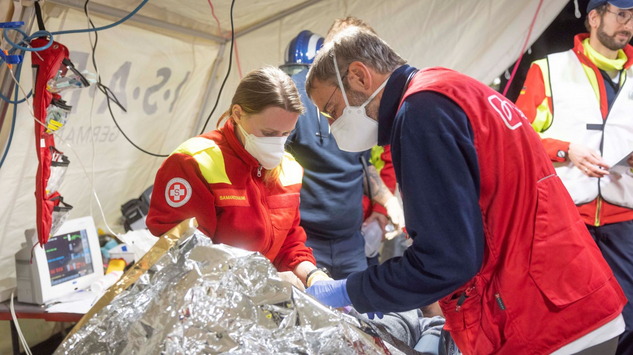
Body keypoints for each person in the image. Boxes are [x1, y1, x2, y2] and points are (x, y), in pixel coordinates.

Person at [304, 27, 626, 354]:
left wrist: (355, 290)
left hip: (544, 319)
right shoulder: (449, 87)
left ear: (359, 76)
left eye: (332, 110)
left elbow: (445, 261)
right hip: (570, 294)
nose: (332, 126)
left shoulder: (420, 113)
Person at [515, 1, 633, 353]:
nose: (628, 23)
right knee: (567, 319)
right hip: (567, 219)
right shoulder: (549, 69)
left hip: (624, 219)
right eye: (621, 14)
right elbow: (519, 138)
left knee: (630, 316)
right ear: (594, 17)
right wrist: (566, 149)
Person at [146, 67, 322, 289]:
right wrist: (267, 279)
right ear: (238, 114)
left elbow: (289, 243)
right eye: (268, 133)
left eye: (286, 134)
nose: (277, 143)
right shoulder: (194, 162)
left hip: (259, 298)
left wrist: (312, 275)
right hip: (206, 302)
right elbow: (187, 254)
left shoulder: (289, 169)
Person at [281, 29, 403, 281]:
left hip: (351, 241)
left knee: (359, 314)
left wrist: (388, 205)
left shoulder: (361, 114)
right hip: (307, 241)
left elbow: (365, 166)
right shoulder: (293, 109)